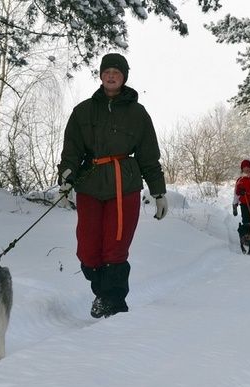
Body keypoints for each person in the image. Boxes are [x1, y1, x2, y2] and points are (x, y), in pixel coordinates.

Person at [57, 53, 167, 318]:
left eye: (117, 71)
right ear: (100, 75)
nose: (111, 75)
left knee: (115, 246)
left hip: (124, 184)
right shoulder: (83, 110)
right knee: (87, 249)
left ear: (124, 77)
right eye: (107, 71)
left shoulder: (138, 113)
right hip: (90, 183)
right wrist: (66, 180)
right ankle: (103, 293)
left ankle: (113, 303)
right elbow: (71, 150)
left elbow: (149, 156)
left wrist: (158, 191)